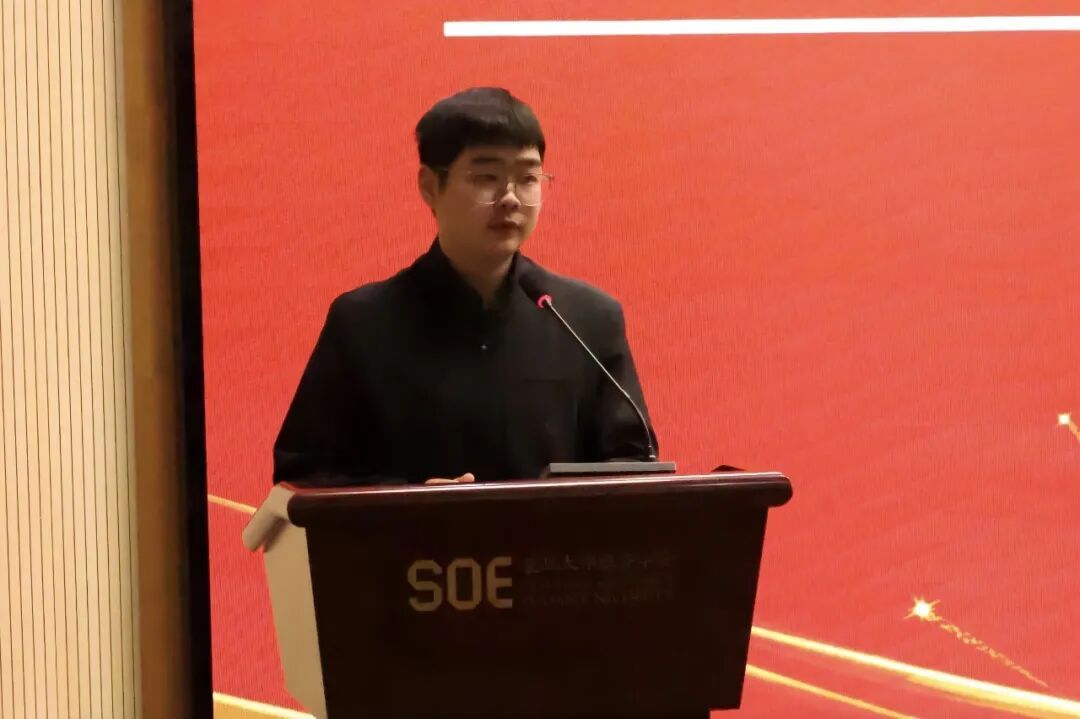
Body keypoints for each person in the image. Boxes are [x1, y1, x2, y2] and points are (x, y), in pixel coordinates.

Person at [273, 87, 658, 487]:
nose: (510, 198)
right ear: (430, 186)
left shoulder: (586, 320)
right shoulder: (363, 323)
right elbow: (304, 477)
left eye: (528, 178)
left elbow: (633, 465)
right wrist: (408, 501)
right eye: (486, 177)